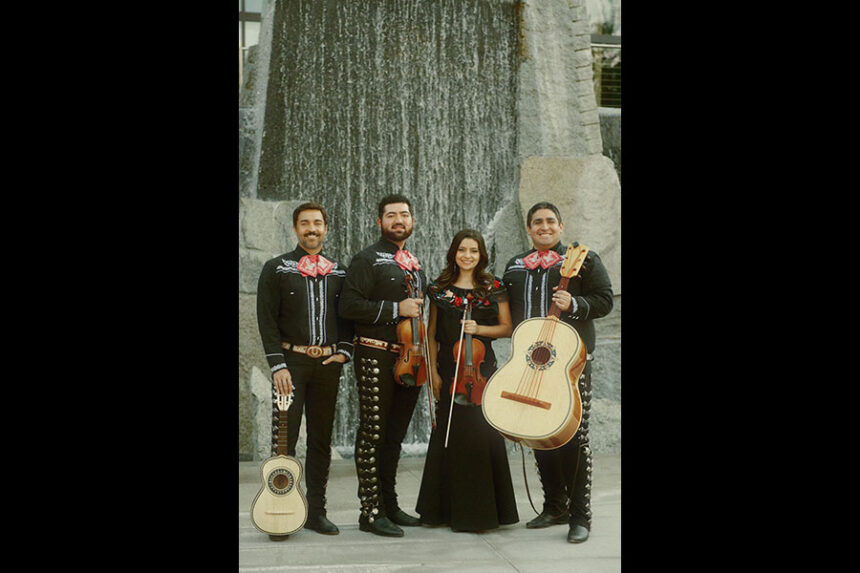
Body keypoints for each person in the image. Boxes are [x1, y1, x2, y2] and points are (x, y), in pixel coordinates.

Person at [502, 201, 614, 544]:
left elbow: (605, 300)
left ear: (561, 227)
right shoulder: (515, 266)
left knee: (575, 437)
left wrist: (575, 304)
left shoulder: (584, 259)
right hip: (532, 364)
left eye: (551, 221)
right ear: (529, 229)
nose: (544, 227)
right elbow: (505, 311)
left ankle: (580, 516)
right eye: (538, 222)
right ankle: (554, 506)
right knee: (538, 433)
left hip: (572, 364)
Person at [256, 202, 354, 539]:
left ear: (326, 228)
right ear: (295, 229)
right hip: (291, 365)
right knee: (284, 440)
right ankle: (281, 511)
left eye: (317, 223)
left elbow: (348, 316)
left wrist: (344, 352)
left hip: (327, 365)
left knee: (321, 439)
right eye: (305, 223)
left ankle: (316, 511)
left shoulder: (340, 272)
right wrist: (277, 364)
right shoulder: (277, 268)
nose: (312, 229)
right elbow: (266, 318)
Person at [415, 229, 519, 532]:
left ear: (481, 254)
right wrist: (433, 372)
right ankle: (441, 511)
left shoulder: (494, 287)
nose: (468, 256)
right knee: (449, 434)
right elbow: (432, 335)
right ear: (454, 253)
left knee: (481, 435)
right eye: (462, 250)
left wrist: (478, 330)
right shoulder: (439, 289)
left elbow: (507, 328)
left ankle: (483, 513)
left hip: (482, 372)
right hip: (449, 370)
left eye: (474, 251)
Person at [339, 194, 427, 537]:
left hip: (410, 355)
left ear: (412, 220)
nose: (398, 220)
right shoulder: (366, 259)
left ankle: (390, 504)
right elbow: (348, 306)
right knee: (373, 432)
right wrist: (396, 310)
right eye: (391, 216)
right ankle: (370, 510)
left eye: (404, 214)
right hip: (375, 353)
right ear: (380, 222)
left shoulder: (414, 262)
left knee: (394, 436)